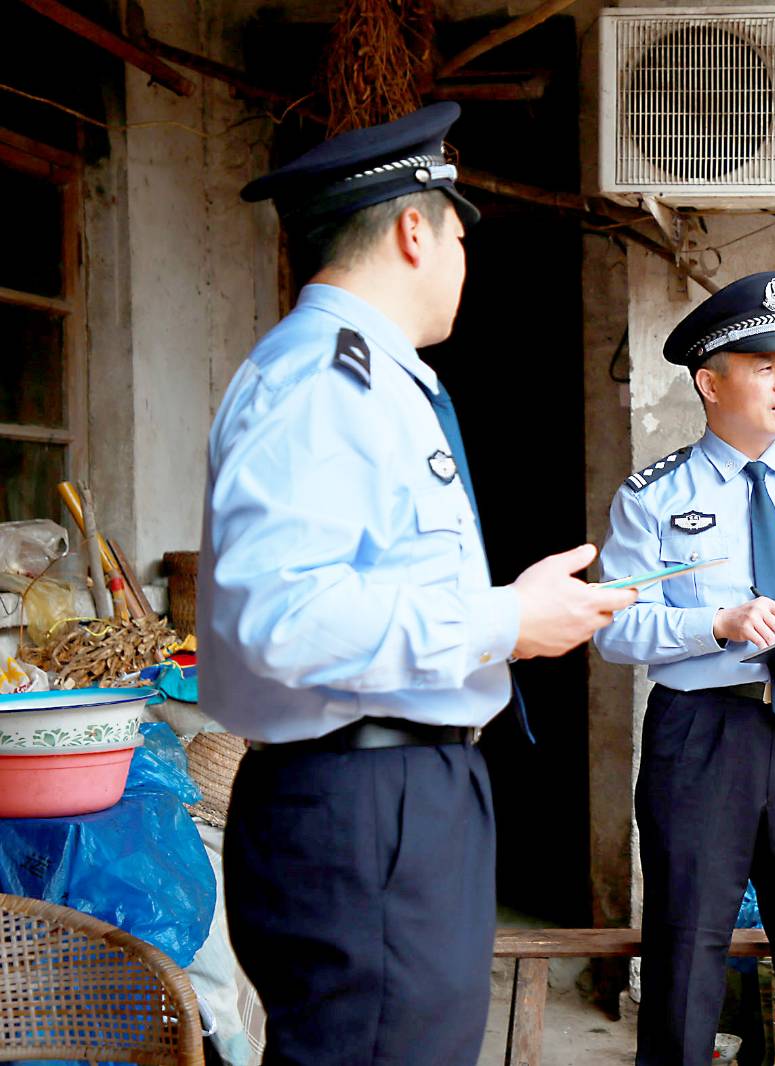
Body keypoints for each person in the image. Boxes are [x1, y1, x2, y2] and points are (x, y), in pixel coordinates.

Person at [199, 102, 636, 1065]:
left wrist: (513, 612)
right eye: (460, 240)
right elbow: (286, 617)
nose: (464, 265)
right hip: (364, 800)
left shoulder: (377, 379)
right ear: (412, 230)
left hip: (397, 790)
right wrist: (503, 620)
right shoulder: (324, 380)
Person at [595, 270, 775, 1064]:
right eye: (764, 367)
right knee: (686, 950)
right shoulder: (654, 497)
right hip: (701, 737)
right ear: (710, 382)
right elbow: (614, 630)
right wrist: (714, 624)